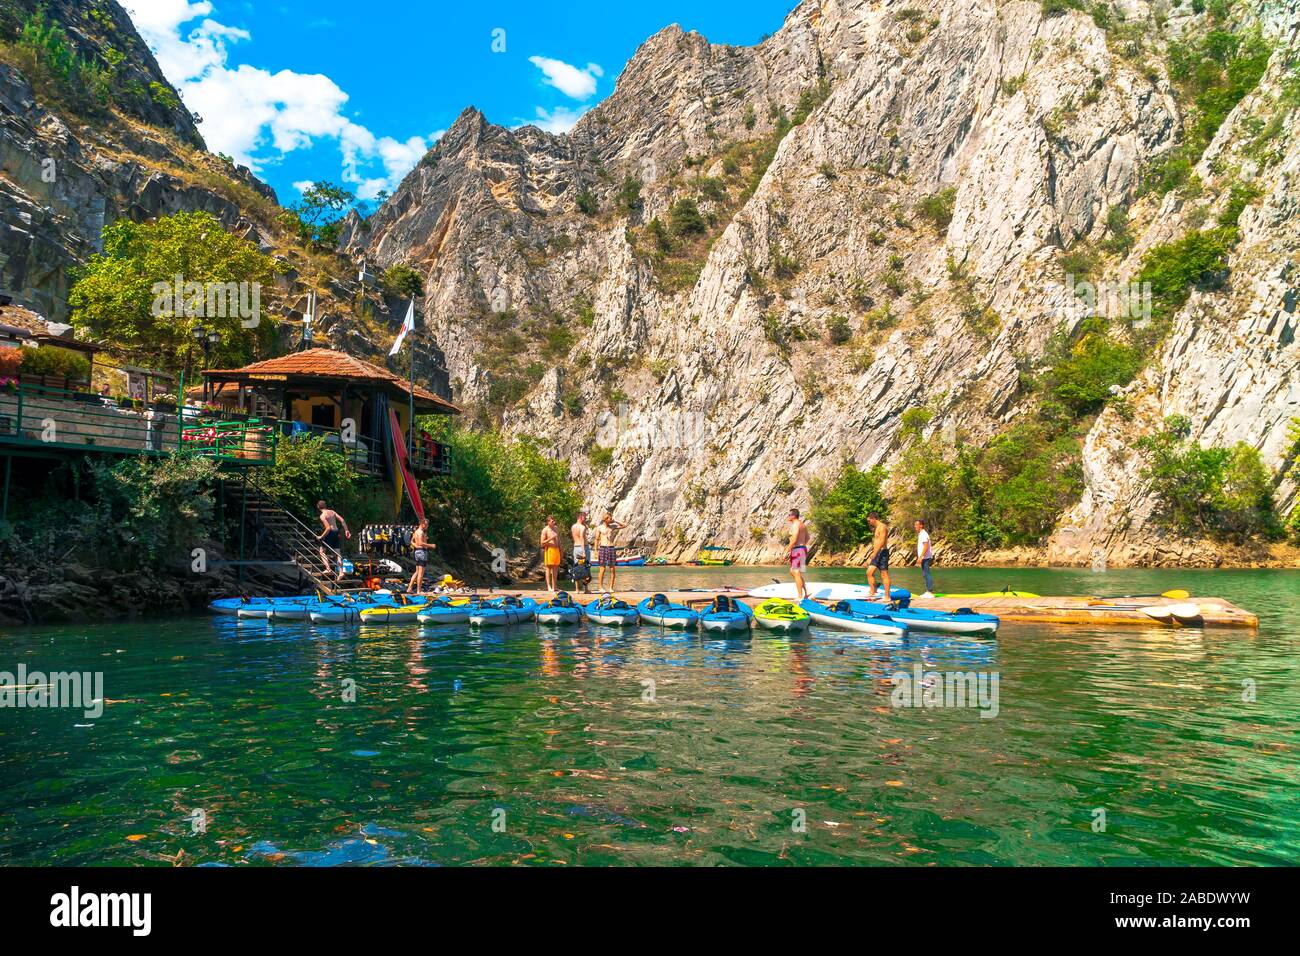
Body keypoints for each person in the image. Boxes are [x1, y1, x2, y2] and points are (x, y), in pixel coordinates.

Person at [317, 500, 352, 582]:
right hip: (336, 532)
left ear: (318, 507)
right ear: (325, 505)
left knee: (322, 551)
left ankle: (328, 569)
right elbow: (342, 520)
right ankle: (341, 572)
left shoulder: (322, 516)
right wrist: (346, 530)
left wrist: (321, 537)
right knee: (337, 553)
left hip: (330, 533)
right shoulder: (332, 512)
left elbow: (328, 528)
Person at [594, 512, 625, 593]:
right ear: (605, 519)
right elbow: (596, 540)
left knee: (612, 568)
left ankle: (611, 587)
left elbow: (624, 525)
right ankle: (600, 587)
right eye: (609, 518)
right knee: (602, 568)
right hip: (603, 548)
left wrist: (615, 520)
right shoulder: (599, 528)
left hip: (611, 547)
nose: (611, 520)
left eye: (611, 518)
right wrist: (595, 551)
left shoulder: (612, 526)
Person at [865, 513, 891, 602]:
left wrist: (875, 553)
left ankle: (887, 596)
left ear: (873, 518)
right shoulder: (877, 528)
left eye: (869, 520)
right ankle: (873, 591)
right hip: (877, 553)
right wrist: (874, 552)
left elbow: (882, 541)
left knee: (884, 574)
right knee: (869, 572)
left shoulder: (882, 527)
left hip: (882, 552)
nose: (869, 522)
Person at [787, 508, 810, 601]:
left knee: (795, 571)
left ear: (793, 516)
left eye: (789, 515)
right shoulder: (802, 524)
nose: (788, 517)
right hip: (801, 549)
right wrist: (802, 545)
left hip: (798, 550)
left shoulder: (796, 524)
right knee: (794, 572)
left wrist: (788, 548)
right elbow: (808, 537)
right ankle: (806, 593)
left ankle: (800, 596)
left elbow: (795, 538)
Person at [408, 518, 433, 594]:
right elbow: (421, 543)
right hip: (422, 552)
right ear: (423, 524)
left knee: (417, 571)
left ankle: (409, 588)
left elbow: (411, 541)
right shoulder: (420, 532)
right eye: (426, 525)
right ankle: (419, 590)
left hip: (417, 552)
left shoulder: (416, 532)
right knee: (421, 573)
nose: (427, 526)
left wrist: (415, 546)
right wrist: (431, 545)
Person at [571, 511, 591, 593]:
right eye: (584, 516)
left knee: (576, 568)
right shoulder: (582, 527)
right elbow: (582, 539)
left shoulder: (573, 526)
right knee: (585, 568)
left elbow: (575, 538)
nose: (585, 518)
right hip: (583, 548)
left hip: (576, 547)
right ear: (580, 516)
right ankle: (586, 589)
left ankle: (577, 589)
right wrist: (583, 551)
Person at [541, 516, 562, 592]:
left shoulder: (555, 528)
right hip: (549, 549)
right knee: (548, 568)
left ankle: (554, 587)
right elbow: (542, 543)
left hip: (556, 550)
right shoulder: (545, 530)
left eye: (554, 521)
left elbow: (558, 540)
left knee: (555, 569)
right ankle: (549, 586)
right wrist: (550, 538)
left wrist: (561, 550)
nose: (554, 522)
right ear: (548, 522)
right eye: (552, 521)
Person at [915, 519, 934, 598]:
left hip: (925, 558)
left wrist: (921, 557)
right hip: (924, 557)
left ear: (921, 525)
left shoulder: (923, 534)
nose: (915, 526)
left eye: (916, 524)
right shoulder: (921, 534)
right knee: (925, 574)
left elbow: (926, 546)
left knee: (927, 574)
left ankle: (930, 592)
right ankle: (928, 591)